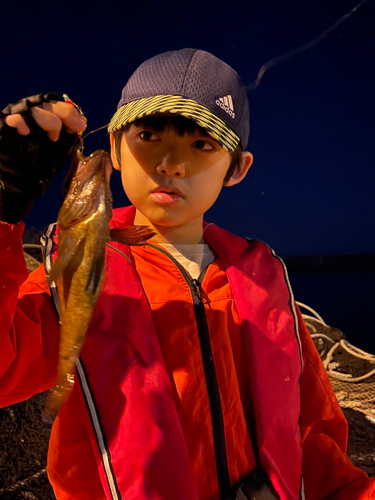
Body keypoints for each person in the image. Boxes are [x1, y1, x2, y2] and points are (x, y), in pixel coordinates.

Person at [0, 48, 374, 500]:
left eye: (202, 143)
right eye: (149, 135)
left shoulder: (266, 282)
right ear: (115, 147)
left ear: (237, 168)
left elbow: (312, 433)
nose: (171, 163)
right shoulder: (81, 268)